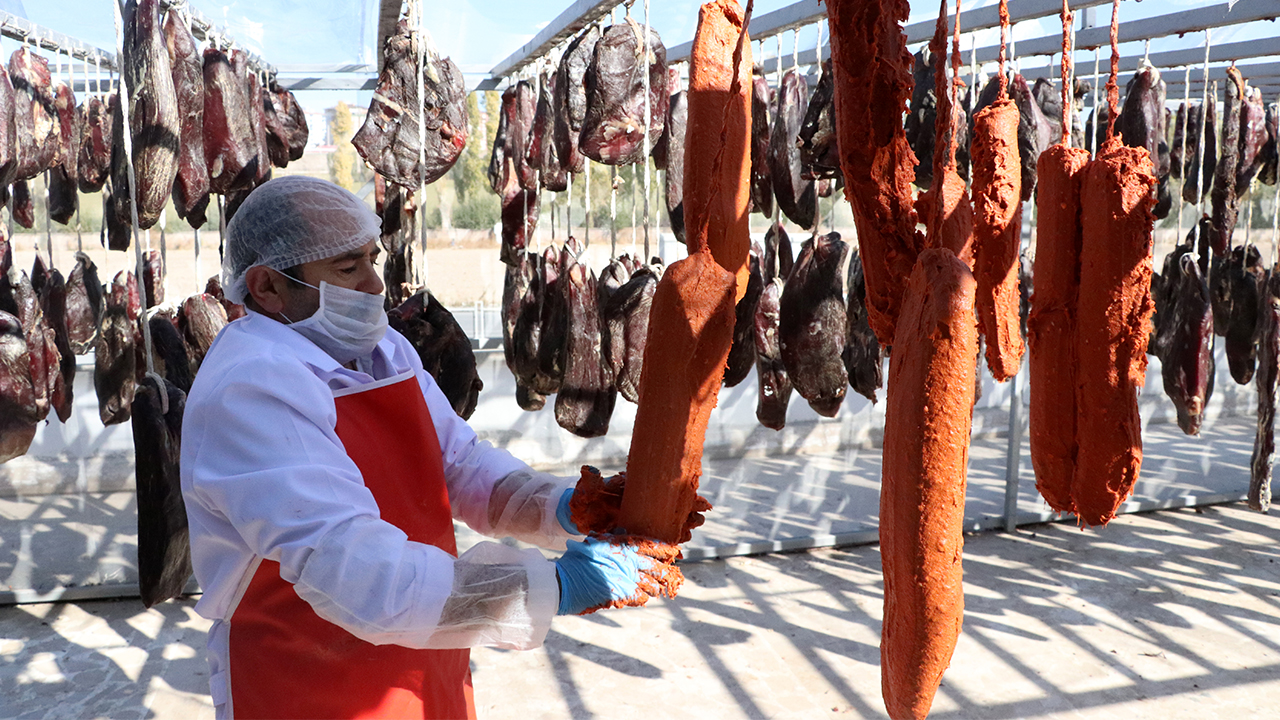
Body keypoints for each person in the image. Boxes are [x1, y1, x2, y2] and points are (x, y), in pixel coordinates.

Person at [180, 176, 676, 720]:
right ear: (267, 287)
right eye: (347, 268)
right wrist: (556, 585)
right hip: (308, 684)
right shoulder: (250, 387)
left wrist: (564, 507)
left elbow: (459, 464)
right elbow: (358, 573)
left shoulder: (384, 351)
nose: (375, 284)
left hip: (426, 658)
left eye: (372, 259)